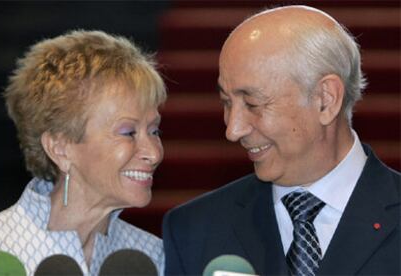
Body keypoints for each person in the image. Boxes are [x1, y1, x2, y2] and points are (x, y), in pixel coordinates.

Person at [162, 5, 400, 276]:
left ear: (326, 99)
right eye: (227, 102)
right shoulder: (194, 230)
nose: (233, 130)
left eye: (252, 104)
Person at [0, 30, 167, 275]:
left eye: (154, 131)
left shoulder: (154, 257)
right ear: (60, 148)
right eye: (128, 133)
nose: (154, 154)